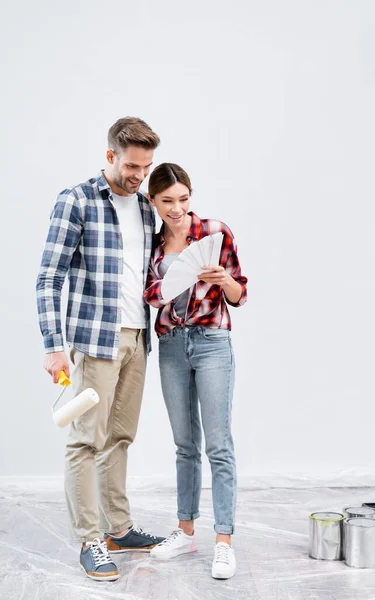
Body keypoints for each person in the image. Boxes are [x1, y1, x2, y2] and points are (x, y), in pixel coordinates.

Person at [36, 117, 164, 581]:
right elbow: (49, 277)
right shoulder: (77, 200)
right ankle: (91, 539)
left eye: (146, 167)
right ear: (110, 156)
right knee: (85, 440)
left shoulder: (148, 209)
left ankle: (118, 528)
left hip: (137, 339)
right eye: (132, 166)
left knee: (120, 438)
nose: (139, 176)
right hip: (94, 341)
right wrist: (54, 347)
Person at [144, 163, 247, 580]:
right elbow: (149, 295)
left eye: (183, 199)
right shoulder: (151, 246)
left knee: (218, 444)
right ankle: (185, 530)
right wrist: (166, 289)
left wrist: (223, 280)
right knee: (185, 444)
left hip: (211, 344)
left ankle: (224, 541)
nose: (176, 208)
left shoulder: (215, 231)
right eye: (167, 201)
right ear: (152, 201)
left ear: (191, 196)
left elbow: (240, 294)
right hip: (171, 345)